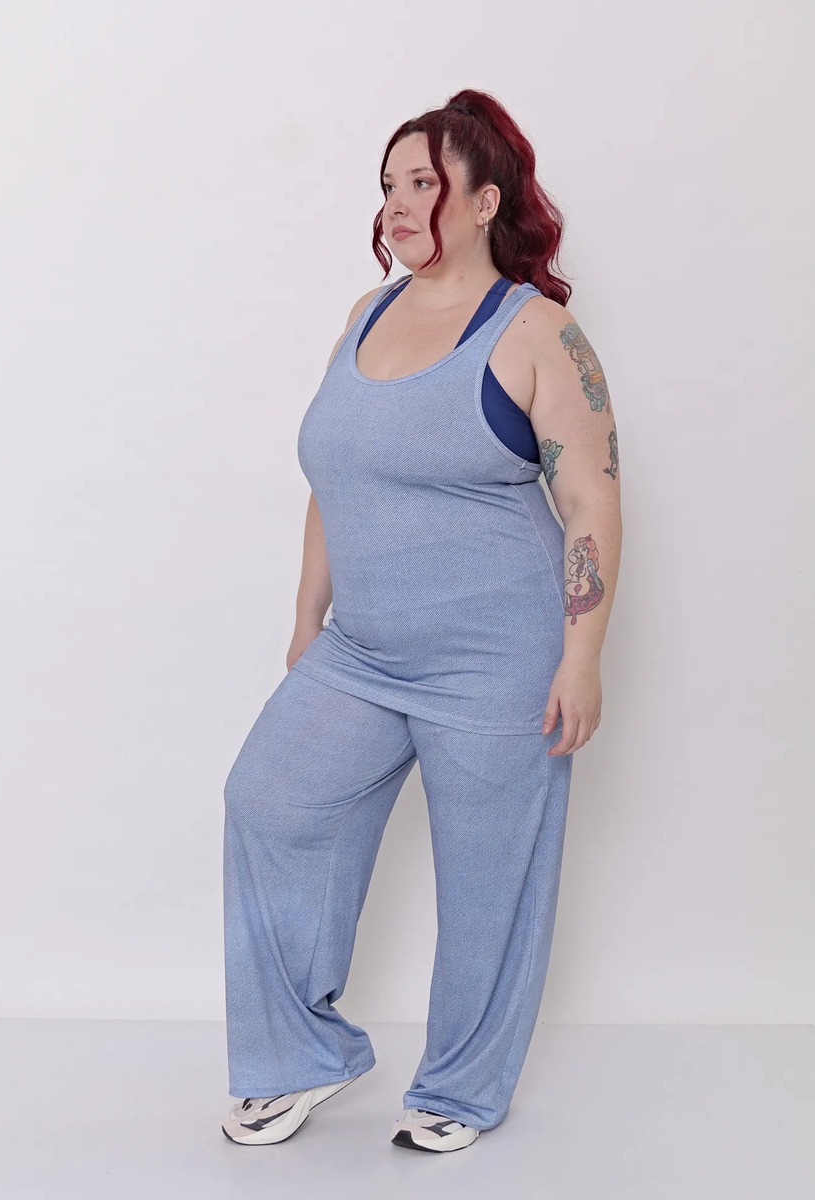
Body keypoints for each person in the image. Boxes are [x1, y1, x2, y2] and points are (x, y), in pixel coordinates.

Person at [221, 87, 622, 1153]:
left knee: (489, 881)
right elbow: (334, 475)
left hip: (498, 657)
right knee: (267, 801)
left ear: (485, 201)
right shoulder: (366, 313)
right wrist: (307, 621)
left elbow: (590, 502)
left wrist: (581, 657)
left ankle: (460, 1087)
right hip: (361, 651)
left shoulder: (538, 332)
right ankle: (300, 1057)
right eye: (389, 184)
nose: (397, 203)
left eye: (423, 183)